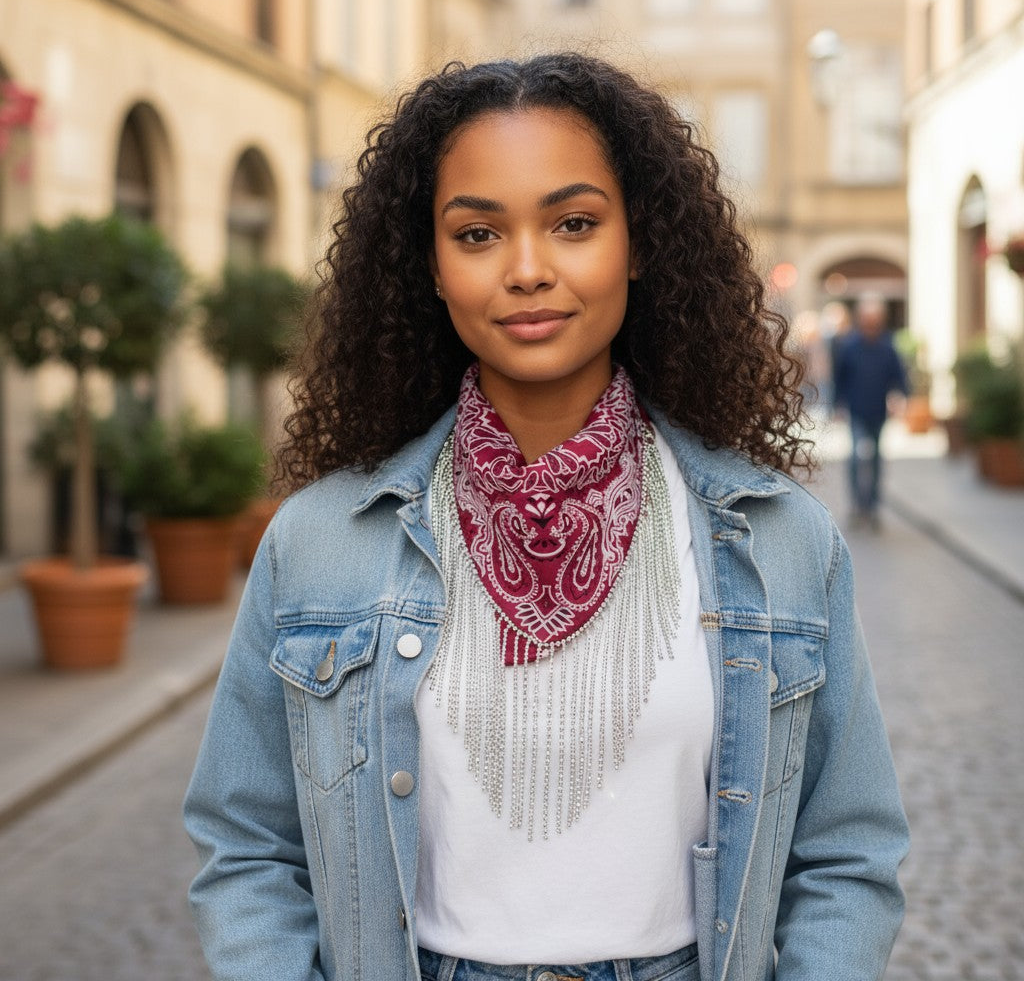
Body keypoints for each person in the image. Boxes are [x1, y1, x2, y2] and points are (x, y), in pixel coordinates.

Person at [184, 53, 908, 981]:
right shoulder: (320, 542)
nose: (528, 271)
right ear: (432, 267)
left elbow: (847, 856)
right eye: (478, 234)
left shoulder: (780, 540)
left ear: (638, 244)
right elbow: (246, 845)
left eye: (573, 224)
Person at [832, 297, 909, 528]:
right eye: (867, 320)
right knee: (856, 456)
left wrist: (900, 397)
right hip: (856, 409)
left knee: (875, 457)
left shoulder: (888, 347)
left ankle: (873, 505)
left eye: (875, 320)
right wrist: (837, 404)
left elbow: (899, 377)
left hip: (878, 410)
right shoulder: (850, 346)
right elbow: (840, 379)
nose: (871, 324)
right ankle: (857, 503)